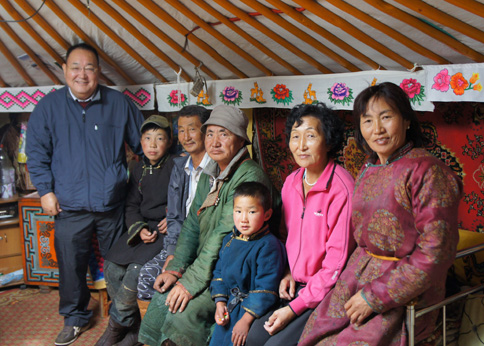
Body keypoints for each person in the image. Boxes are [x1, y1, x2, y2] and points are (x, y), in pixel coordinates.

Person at [298, 82, 463, 345]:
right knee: (314, 334)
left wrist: (374, 297)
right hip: (358, 276)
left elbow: (437, 250)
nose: (377, 130)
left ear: (407, 120)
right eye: (368, 121)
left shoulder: (427, 171)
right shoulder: (370, 167)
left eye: (386, 117)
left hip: (405, 290)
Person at [26, 43, 144, 346]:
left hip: (112, 203)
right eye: (75, 67)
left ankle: (125, 321)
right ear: (64, 71)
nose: (82, 74)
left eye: (89, 67)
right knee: (70, 264)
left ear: (98, 72)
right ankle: (75, 318)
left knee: (119, 263)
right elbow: (36, 154)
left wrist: (144, 191)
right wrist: (45, 191)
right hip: (68, 203)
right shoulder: (47, 107)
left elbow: (145, 147)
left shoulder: (119, 104)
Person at [138, 105, 277, 346]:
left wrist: (190, 283)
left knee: (185, 312)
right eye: (210, 133)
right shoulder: (210, 172)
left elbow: (223, 235)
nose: (214, 142)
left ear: (241, 139)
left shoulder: (248, 176)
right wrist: (176, 268)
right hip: (209, 264)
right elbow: (191, 224)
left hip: (235, 271)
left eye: (223, 134)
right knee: (161, 299)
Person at [247, 102, 355, 346]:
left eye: (310, 136)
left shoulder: (342, 189)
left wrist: (292, 309)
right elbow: (285, 236)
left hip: (327, 292)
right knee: (253, 336)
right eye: (295, 137)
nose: (301, 145)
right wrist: (287, 271)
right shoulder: (292, 182)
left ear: (328, 141)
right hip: (294, 285)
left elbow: (335, 266)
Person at [95, 115, 174, 346]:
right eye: (147, 138)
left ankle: (115, 327)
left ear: (169, 142)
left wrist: (173, 216)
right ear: (140, 141)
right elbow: (131, 205)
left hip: (164, 230)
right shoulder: (137, 168)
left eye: (159, 138)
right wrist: (138, 229)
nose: (152, 144)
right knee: (111, 266)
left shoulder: (175, 166)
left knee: (135, 271)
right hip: (142, 228)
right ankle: (132, 325)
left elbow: (185, 200)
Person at [137, 105, 212, 306]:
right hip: (180, 245)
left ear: (206, 131)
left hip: (205, 248)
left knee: (176, 290)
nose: (186, 136)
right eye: (181, 130)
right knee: (146, 277)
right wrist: (172, 252)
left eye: (192, 129)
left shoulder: (216, 168)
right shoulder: (179, 167)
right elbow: (174, 217)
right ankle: (140, 334)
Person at [210, 182, 286, 346]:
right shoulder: (229, 240)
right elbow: (219, 273)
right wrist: (220, 303)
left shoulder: (268, 246)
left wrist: (245, 321)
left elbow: (266, 288)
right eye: (238, 211)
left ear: (266, 214)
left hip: (253, 310)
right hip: (230, 306)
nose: (243, 219)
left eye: (252, 212)